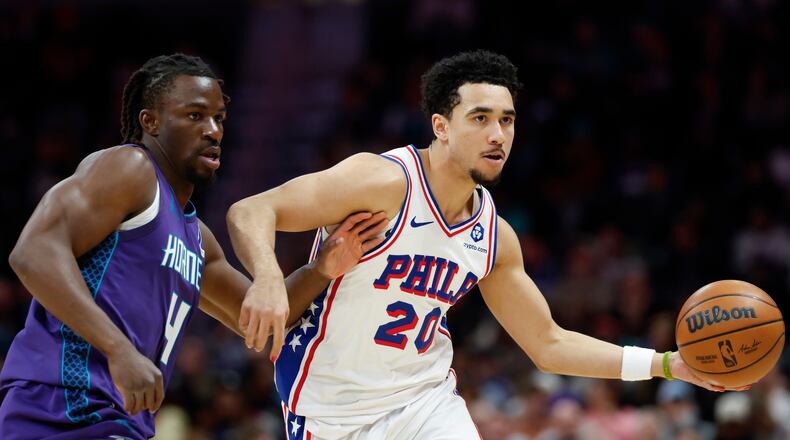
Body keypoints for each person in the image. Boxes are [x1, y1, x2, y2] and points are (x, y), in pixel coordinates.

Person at [226, 50, 743, 440]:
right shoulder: (380, 181)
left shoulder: (494, 238)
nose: (498, 134)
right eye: (480, 119)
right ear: (441, 127)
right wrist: (270, 279)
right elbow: (250, 210)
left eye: (507, 120)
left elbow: (548, 344)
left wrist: (666, 364)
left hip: (427, 404)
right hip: (330, 411)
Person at [0, 53, 387, 440]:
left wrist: (320, 269)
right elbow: (33, 252)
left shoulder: (196, 237)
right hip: (60, 407)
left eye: (219, 118)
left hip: (117, 420)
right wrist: (118, 349)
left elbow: (260, 321)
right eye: (195, 115)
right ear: (149, 122)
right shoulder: (130, 169)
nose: (213, 130)